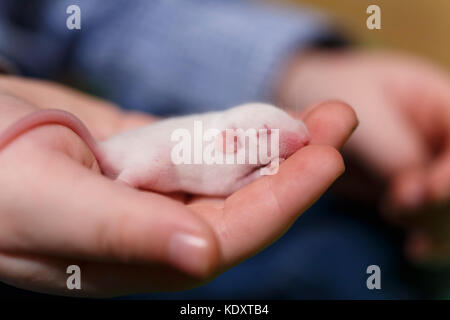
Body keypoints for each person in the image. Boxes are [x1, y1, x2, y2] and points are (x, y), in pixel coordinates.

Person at [0, 0, 449, 298]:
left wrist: (301, 69)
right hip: (128, 155)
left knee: (352, 243)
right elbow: (217, 182)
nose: (291, 140)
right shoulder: (218, 157)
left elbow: (111, 13)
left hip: (126, 120)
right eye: (273, 138)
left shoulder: (236, 137)